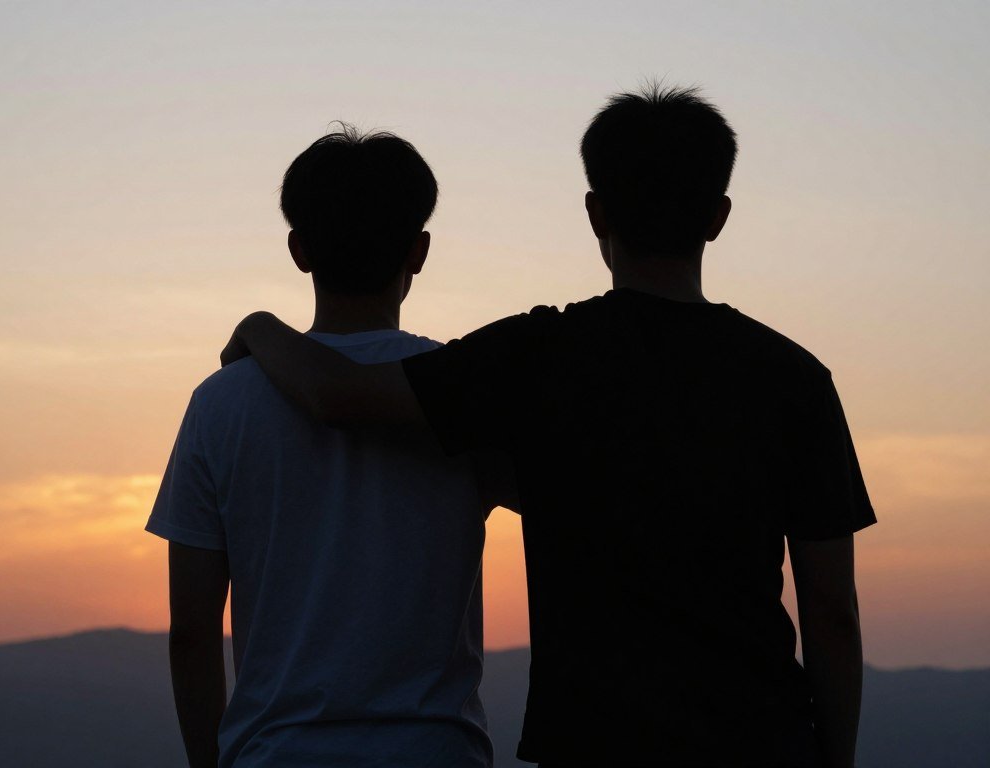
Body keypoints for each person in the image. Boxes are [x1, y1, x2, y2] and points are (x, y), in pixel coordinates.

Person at [222, 85, 876, 768]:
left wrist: (257, 328)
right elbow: (830, 611)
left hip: (594, 743)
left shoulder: (539, 355)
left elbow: (338, 396)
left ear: (596, 214)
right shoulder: (795, 379)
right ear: (718, 217)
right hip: (759, 742)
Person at [147, 126, 505, 768]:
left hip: (276, 753)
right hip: (435, 750)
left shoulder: (221, 404)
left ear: (299, 249)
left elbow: (192, 630)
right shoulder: (465, 392)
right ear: (419, 251)